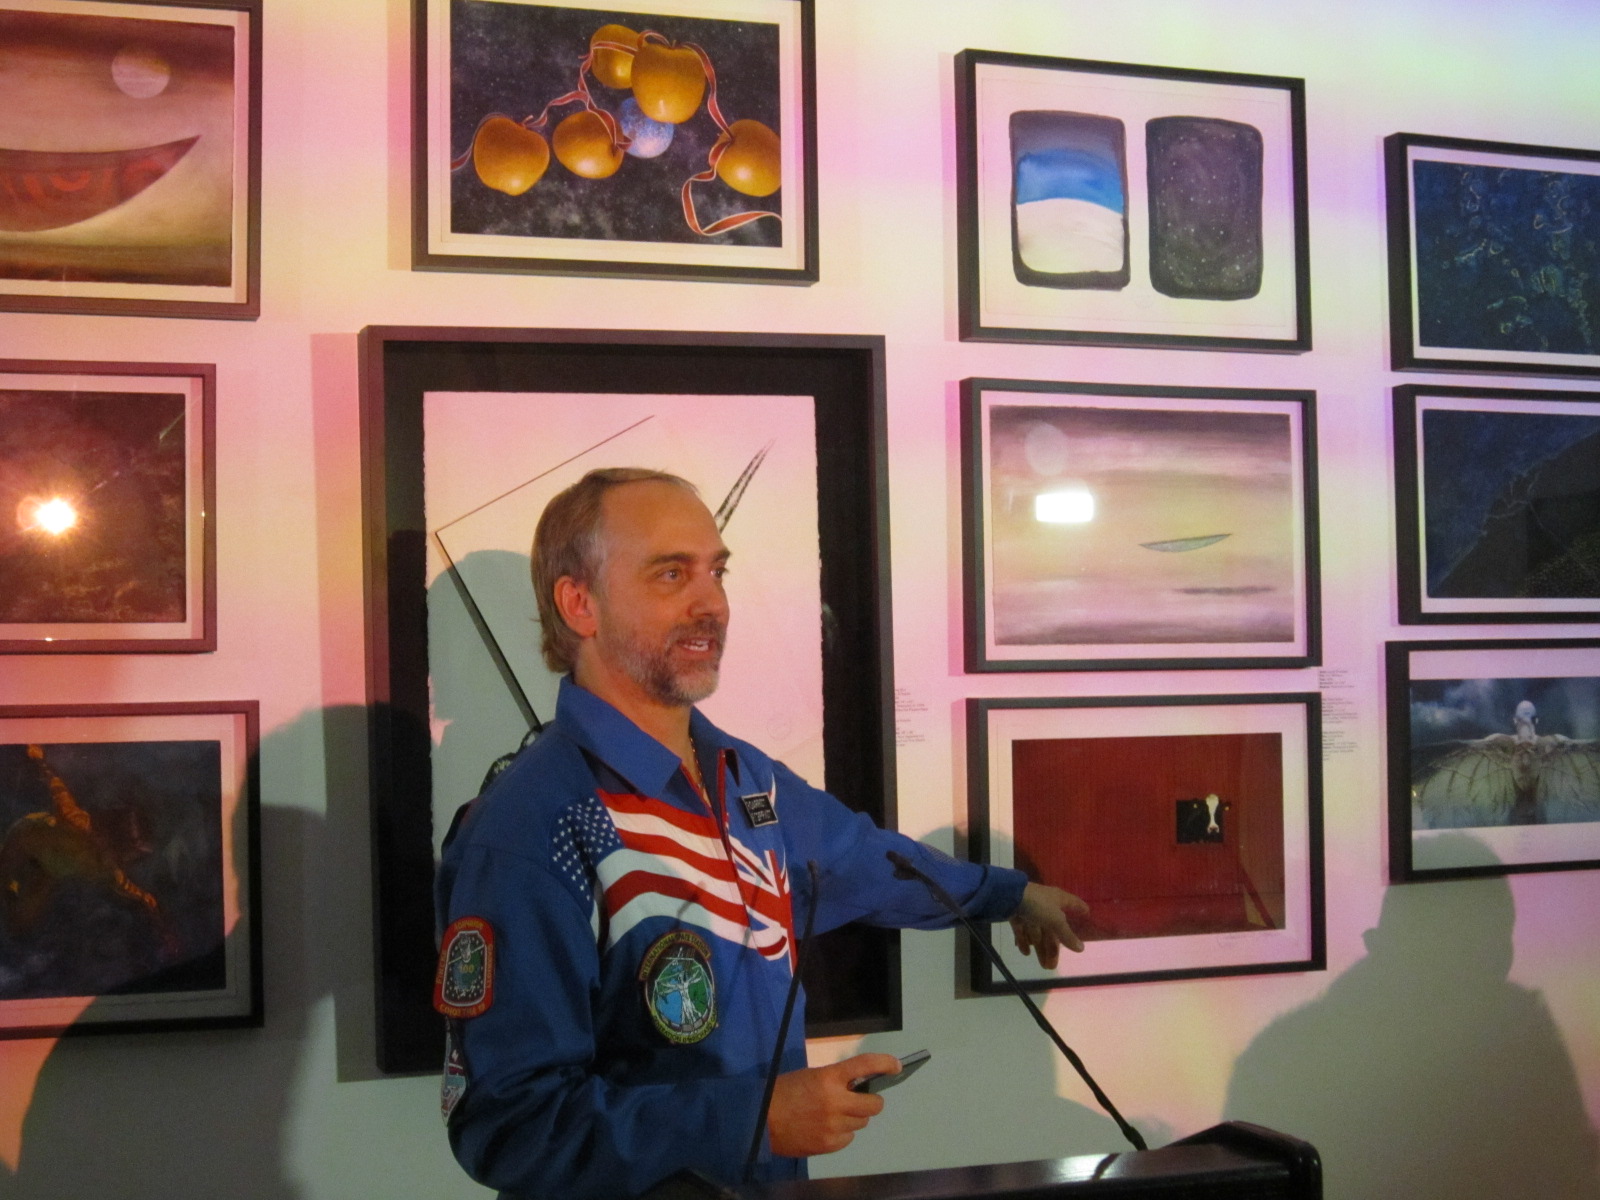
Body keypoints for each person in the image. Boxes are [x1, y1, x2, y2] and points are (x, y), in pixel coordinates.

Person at [433, 467, 1088, 1199]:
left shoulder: (745, 780)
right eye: (670, 574)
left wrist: (1006, 895)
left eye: (717, 572)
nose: (711, 603)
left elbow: (868, 862)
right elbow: (512, 1126)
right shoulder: (531, 827)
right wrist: (755, 1118)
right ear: (579, 603)